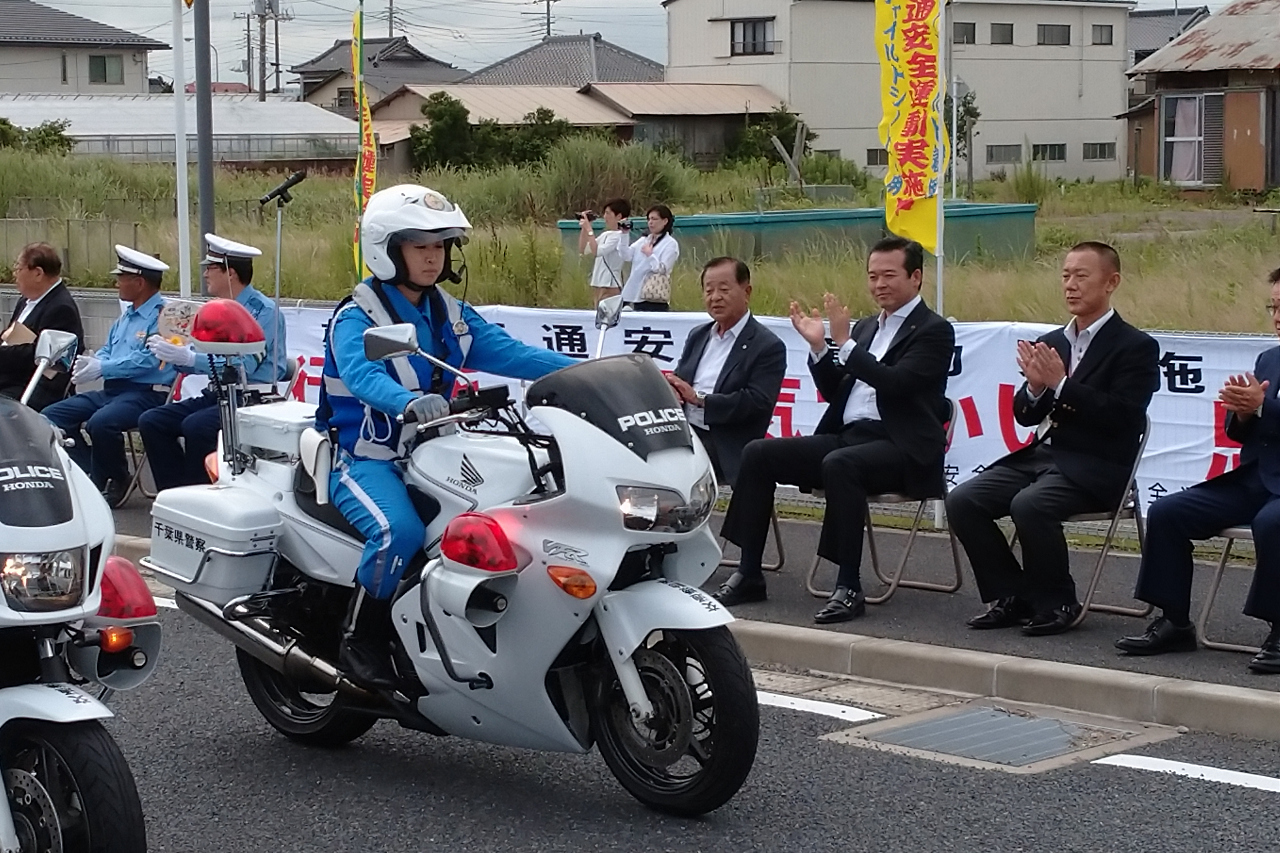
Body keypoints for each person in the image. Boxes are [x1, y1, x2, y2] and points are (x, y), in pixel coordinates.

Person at [316, 184, 576, 691]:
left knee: (515, 512)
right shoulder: (357, 317)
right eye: (420, 246)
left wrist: (590, 370)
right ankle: (359, 638)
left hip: (436, 453)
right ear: (388, 251)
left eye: (439, 246)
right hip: (366, 458)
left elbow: (513, 354)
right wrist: (406, 402)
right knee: (401, 534)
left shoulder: (450, 315)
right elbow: (364, 374)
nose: (433, 258)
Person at [714, 236, 955, 624]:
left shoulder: (934, 330)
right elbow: (835, 391)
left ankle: (848, 586)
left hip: (902, 447)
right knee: (759, 452)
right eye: (873, 276)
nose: (879, 284)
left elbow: (896, 384)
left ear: (916, 277)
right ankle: (748, 572)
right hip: (850, 437)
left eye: (889, 275)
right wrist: (820, 350)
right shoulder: (865, 328)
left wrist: (844, 345)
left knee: (842, 464)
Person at [947, 242, 1159, 636]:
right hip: (1044, 457)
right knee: (963, 500)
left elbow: (1124, 418)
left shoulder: (1136, 347)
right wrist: (1035, 388)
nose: (1071, 285)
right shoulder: (1053, 341)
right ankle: (1015, 595)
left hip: (1098, 467)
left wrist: (1061, 386)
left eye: (1082, 276)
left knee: (1029, 505)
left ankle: (1058, 601)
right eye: (1065, 276)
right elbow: (1026, 415)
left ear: (1111, 282)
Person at [1115, 268, 1280, 672]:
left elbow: (1268, 411)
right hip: (1257, 478)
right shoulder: (1270, 358)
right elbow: (1245, 433)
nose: (1277, 317)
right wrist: (1242, 413)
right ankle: (1174, 621)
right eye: (1273, 307)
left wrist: (1260, 407)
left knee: (1272, 523)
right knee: (1169, 512)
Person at [137, 234, 290, 492]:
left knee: (197, 426)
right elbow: (199, 354)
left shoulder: (263, 312)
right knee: (152, 421)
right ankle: (175, 493)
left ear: (230, 273)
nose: (205, 274)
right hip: (218, 395)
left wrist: (189, 358)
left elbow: (243, 366)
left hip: (250, 399)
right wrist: (173, 353)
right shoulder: (216, 309)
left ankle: (202, 495)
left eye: (211, 268)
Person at [43, 245, 177, 509]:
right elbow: (110, 348)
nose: (116, 283)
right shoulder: (128, 315)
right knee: (51, 416)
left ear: (139, 282)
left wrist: (103, 368)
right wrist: (93, 362)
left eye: (122, 278)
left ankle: (116, 477)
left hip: (147, 392)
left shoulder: (165, 317)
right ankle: (89, 474)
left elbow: (149, 360)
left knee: (101, 423)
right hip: (114, 391)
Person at [666, 257, 786, 487]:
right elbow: (681, 379)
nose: (715, 297)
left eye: (723, 289)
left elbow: (756, 402)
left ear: (746, 291)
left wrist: (699, 399)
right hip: (683, 432)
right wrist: (673, 389)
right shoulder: (698, 335)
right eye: (709, 290)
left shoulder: (767, 345)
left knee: (672, 471)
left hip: (724, 442)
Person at [0, 242, 84, 411]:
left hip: (34, 387)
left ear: (38, 273)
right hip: (11, 379)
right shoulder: (26, 300)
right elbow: (10, 337)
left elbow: (37, 354)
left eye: (19, 269)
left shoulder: (60, 308)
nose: (15, 275)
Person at [619, 204, 679, 312]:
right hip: (634, 293)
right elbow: (626, 255)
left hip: (654, 295)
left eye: (654, 219)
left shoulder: (670, 244)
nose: (650, 222)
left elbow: (662, 269)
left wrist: (650, 255)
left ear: (665, 221)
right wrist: (624, 234)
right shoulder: (644, 240)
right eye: (649, 219)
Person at [577, 198, 631, 306]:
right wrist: (585, 228)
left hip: (610, 284)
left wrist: (589, 229)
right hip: (598, 282)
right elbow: (583, 249)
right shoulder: (606, 234)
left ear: (619, 216)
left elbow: (597, 251)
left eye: (608, 213)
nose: (605, 217)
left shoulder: (620, 236)